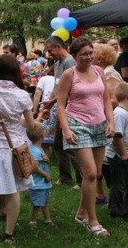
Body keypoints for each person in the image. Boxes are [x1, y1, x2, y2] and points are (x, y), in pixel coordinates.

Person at [56, 37, 115, 237]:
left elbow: (106, 98)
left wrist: (111, 122)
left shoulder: (99, 71)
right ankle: (93, 220)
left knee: (96, 174)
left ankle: (81, 212)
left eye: (91, 53)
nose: (89, 57)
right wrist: (66, 129)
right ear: (75, 56)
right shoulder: (69, 74)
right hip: (77, 125)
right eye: (84, 54)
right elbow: (60, 104)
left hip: (99, 124)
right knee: (89, 173)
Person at [0, 54, 36, 243]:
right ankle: (9, 233)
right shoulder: (22, 95)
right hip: (14, 147)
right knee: (14, 191)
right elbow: (31, 125)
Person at [44, 36, 82, 188]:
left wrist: (53, 102)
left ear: (59, 47)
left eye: (50, 50)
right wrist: (48, 104)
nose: (49, 54)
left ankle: (81, 180)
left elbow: (70, 89)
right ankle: (65, 177)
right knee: (58, 144)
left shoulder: (69, 63)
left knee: (71, 145)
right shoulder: (58, 63)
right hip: (61, 109)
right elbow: (57, 87)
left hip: (71, 109)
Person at [106, 83, 128, 221]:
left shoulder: (127, 113)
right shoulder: (119, 113)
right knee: (120, 185)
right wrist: (124, 154)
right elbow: (117, 135)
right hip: (120, 157)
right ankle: (119, 213)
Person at [27, 122, 53, 228]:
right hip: (37, 184)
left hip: (43, 184)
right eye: (44, 130)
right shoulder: (35, 151)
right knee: (37, 204)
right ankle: (33, 221)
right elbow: (34, 167)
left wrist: (46, 159)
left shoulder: (39, 149)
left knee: (46, 202)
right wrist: (45, 174)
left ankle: (48, 220)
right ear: (41, 135)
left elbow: (42, 163)